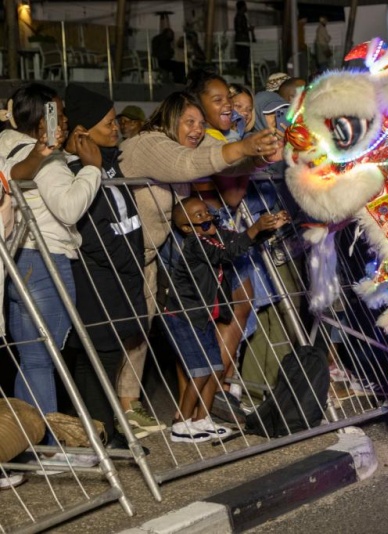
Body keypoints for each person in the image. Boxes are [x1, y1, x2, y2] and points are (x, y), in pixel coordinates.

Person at [116, 92, 281, 434]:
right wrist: (245, 146)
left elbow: (222, 161)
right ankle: (121, 411)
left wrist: (260, 156)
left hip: (153, 251)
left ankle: (172, 413)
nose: (196, 130)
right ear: (170, 118)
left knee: (143, 330)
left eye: (200, 124)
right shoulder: (150, 143)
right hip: (123, 253)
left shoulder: (190, 140)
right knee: (127, 331)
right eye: (189, 122)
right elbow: (187, 165)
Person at [0, 83, 102, 465]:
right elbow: (69, 207)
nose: (63, 119)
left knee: (31, 358)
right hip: (45, 258)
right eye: (56, 111)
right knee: (45, 357)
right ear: (38, 117)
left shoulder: (7, 144)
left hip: (19, 258)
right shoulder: (39, 156)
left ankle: (25, 441)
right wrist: (93, 169)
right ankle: (49, 446)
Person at [63, 84, 154, 446]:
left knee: (107, 357)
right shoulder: (78, 173)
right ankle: (106, 434)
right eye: (109, 123)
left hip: (124, 276)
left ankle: (102, 431)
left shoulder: (111, 165)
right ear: (83, 132)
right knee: (97, 358)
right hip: (100, 280)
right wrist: (130, 262)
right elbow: (93, 232)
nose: (116, 129)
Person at [164, 197, 289, 442]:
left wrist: (268, 228)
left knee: (215, 368)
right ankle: (182, 424)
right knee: (200, 371)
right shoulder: (195, 245)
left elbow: (240, 244)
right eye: (198, 216)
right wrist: (253, 229)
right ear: (186, 228)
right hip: (184, 316)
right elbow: (228, 252)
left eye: (206, 211)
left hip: (204, 317)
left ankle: (202, 419)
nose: (206, 216)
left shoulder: (217, 236)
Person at [234, 1, 254, 74]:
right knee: (243, 60)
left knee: (244, 61)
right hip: (242, 42)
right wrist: (248, 29)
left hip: (242, 41)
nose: (246, 8)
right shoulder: (240, 16)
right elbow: (239, 29)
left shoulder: (241, 16)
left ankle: (243, 77)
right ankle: (242, 77)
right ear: (242, 7)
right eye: (245, 6)